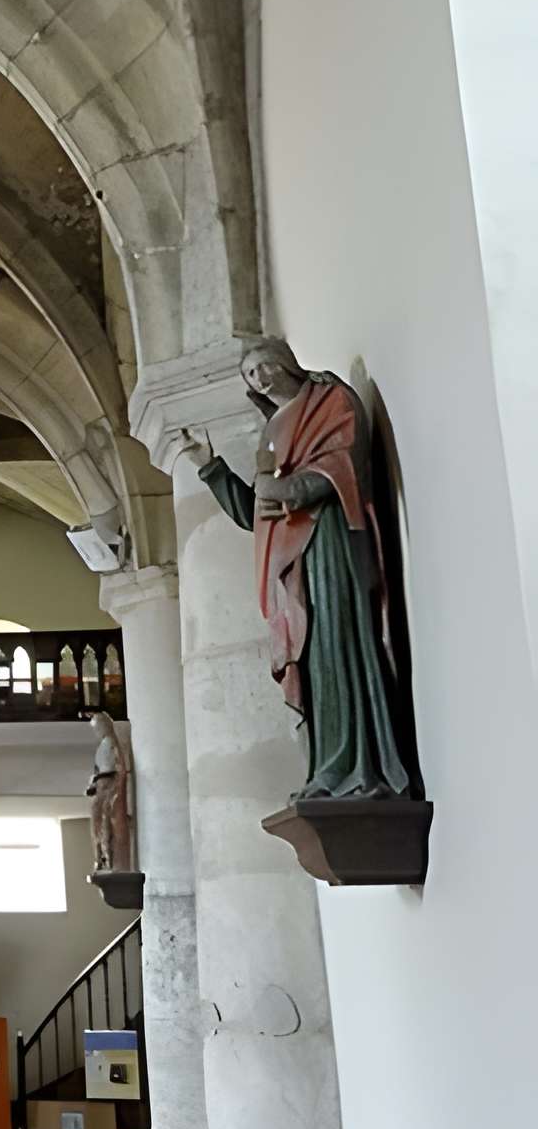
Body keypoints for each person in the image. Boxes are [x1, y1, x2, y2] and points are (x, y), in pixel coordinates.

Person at [182, 338, 410, 801]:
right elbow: (255, 514)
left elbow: (342, 462)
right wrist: (211, 469)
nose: (260, 378)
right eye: (249, 375)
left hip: (328, 542)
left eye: (264, 366)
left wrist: (292, 488)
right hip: (292, 563)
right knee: (311, 658)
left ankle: (359, 766)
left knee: (337, 645)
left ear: (286, 363)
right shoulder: (273, 427)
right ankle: (328, 768)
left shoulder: (330, 400)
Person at [87, 709, 132, 872]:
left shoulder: (112, 743)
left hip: (108, 786)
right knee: (96, 823)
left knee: (104, 822)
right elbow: (98, 770)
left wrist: (116, 786)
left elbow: (120, 768)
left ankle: (107, 856)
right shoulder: (103, 745)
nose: (97, 732)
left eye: (98, 727)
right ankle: (99, 857)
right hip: (100, 786)